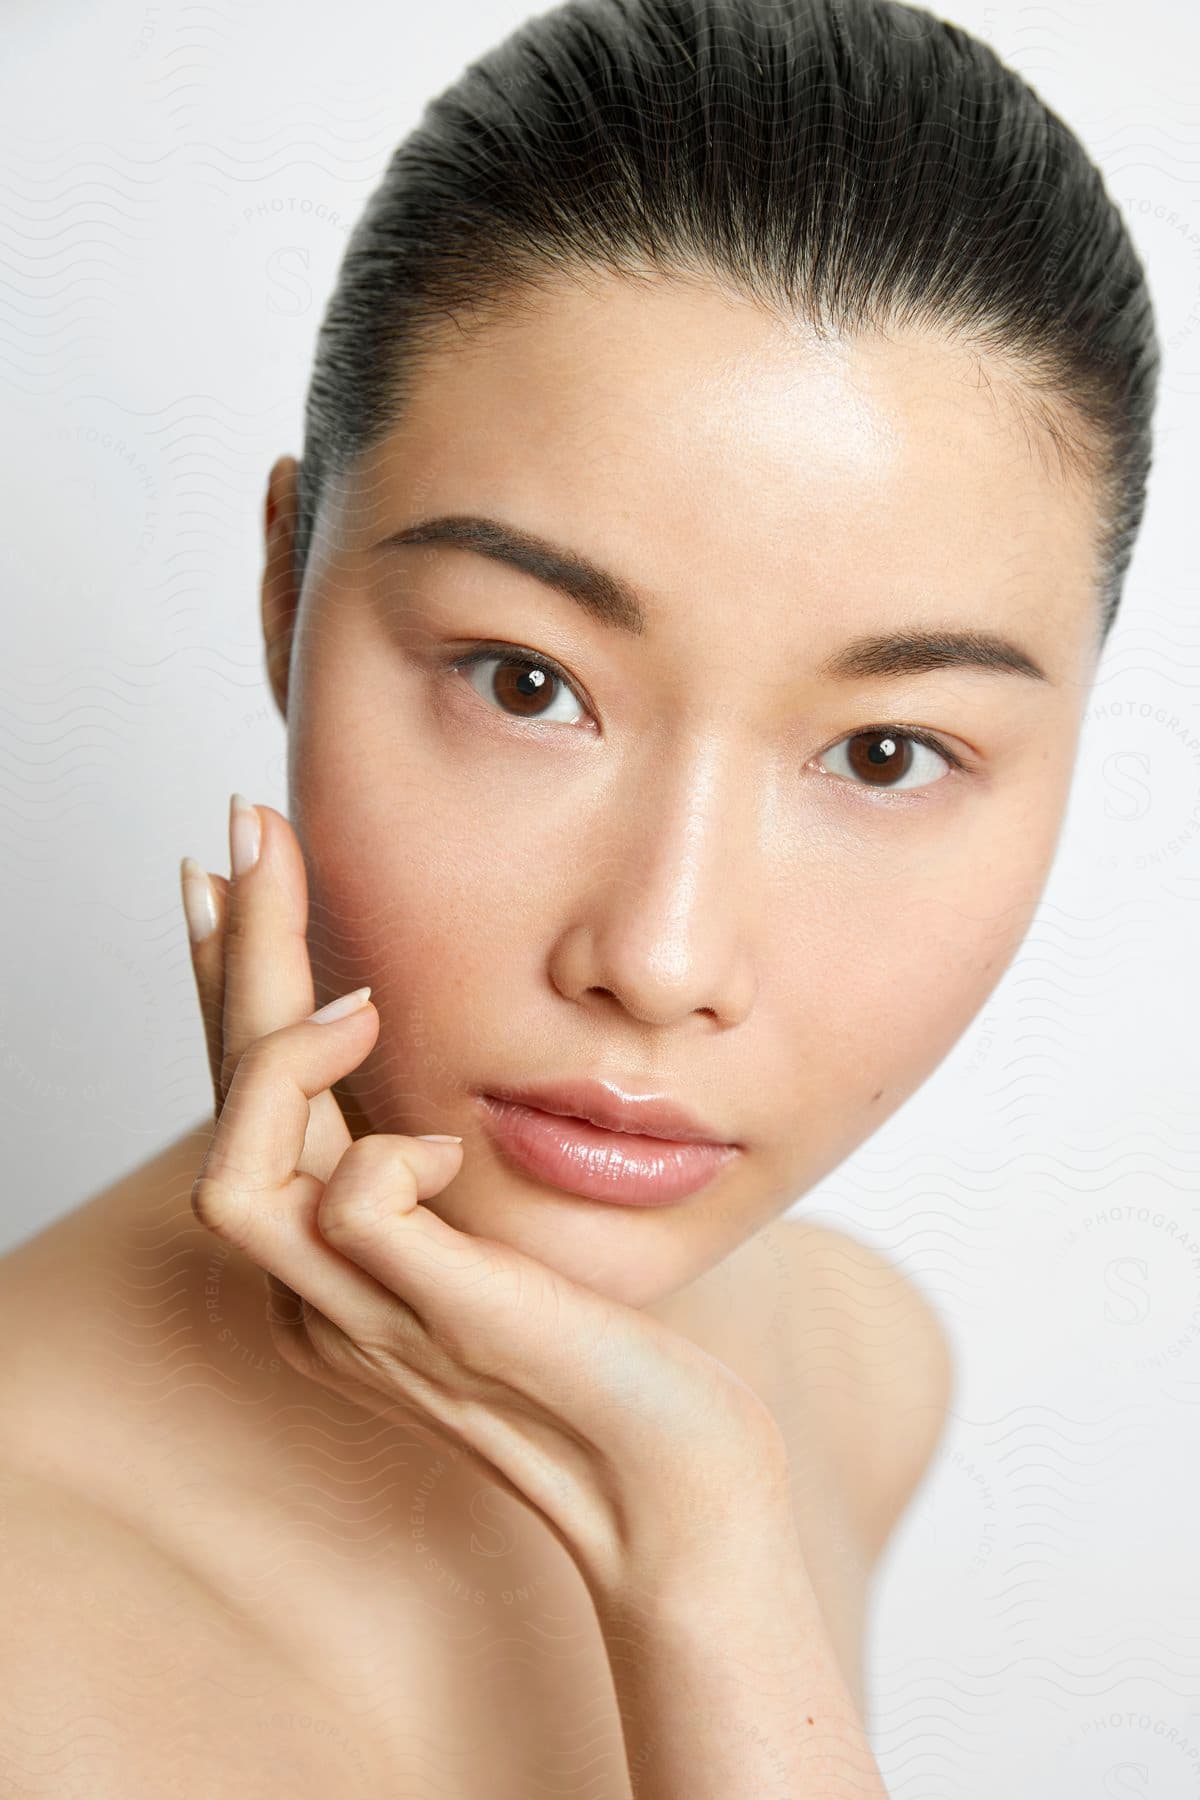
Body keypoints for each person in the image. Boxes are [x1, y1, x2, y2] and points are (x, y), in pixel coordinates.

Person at [0, 0, 1159, 1792]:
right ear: (282, 597)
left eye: (881, 755)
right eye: (526, 684)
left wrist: (710, 1563)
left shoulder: (852, 1370)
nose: (663, 955)